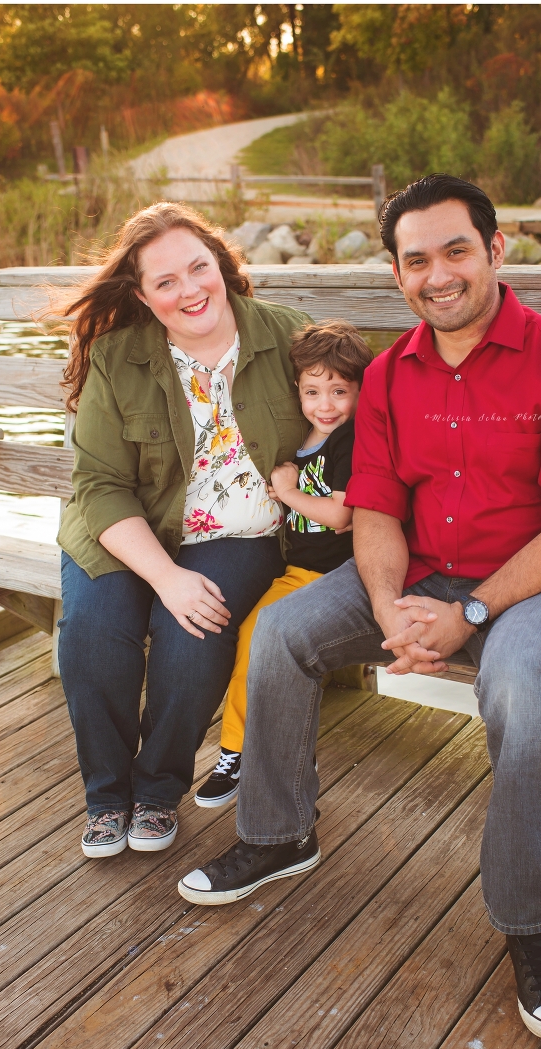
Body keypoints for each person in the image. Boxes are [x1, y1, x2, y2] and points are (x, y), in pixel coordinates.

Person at [178, 174, 541, 1041]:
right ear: (396, 274)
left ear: (495, 251)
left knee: (522, 686)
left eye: (457, 250)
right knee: (283, 630)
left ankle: (531, 925)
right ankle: (278, 834)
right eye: (416, 260)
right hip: (414, 574)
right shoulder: (386, 377)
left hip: (539, 585)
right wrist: (389, 609)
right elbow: (375, 508)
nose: (438, 274)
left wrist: (472, 617)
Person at [55, 201, 313, 859]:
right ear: (142, 295)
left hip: (237, 534)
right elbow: (102, 487)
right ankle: (108, 798)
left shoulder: (289, 337)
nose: (189, 289)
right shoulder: (119, 357)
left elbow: (350, 418)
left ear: (222, 266)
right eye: (165, 281)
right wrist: (165, 576)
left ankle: (157, 791)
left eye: (199, 268)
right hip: (128, 531)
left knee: (194, 632)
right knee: (93, 634)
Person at [192, 319, 373, 810]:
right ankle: (275, 753)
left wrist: (289, 493)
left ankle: (235, 752)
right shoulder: (301, 437)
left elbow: (341, 514)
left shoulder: (348, 440)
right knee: (243, 639)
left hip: (333, 579)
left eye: (340, 391)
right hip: (295, 572)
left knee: (257, 636)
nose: (326, 404)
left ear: (360, 391)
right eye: (313, 391)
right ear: (297, 390)